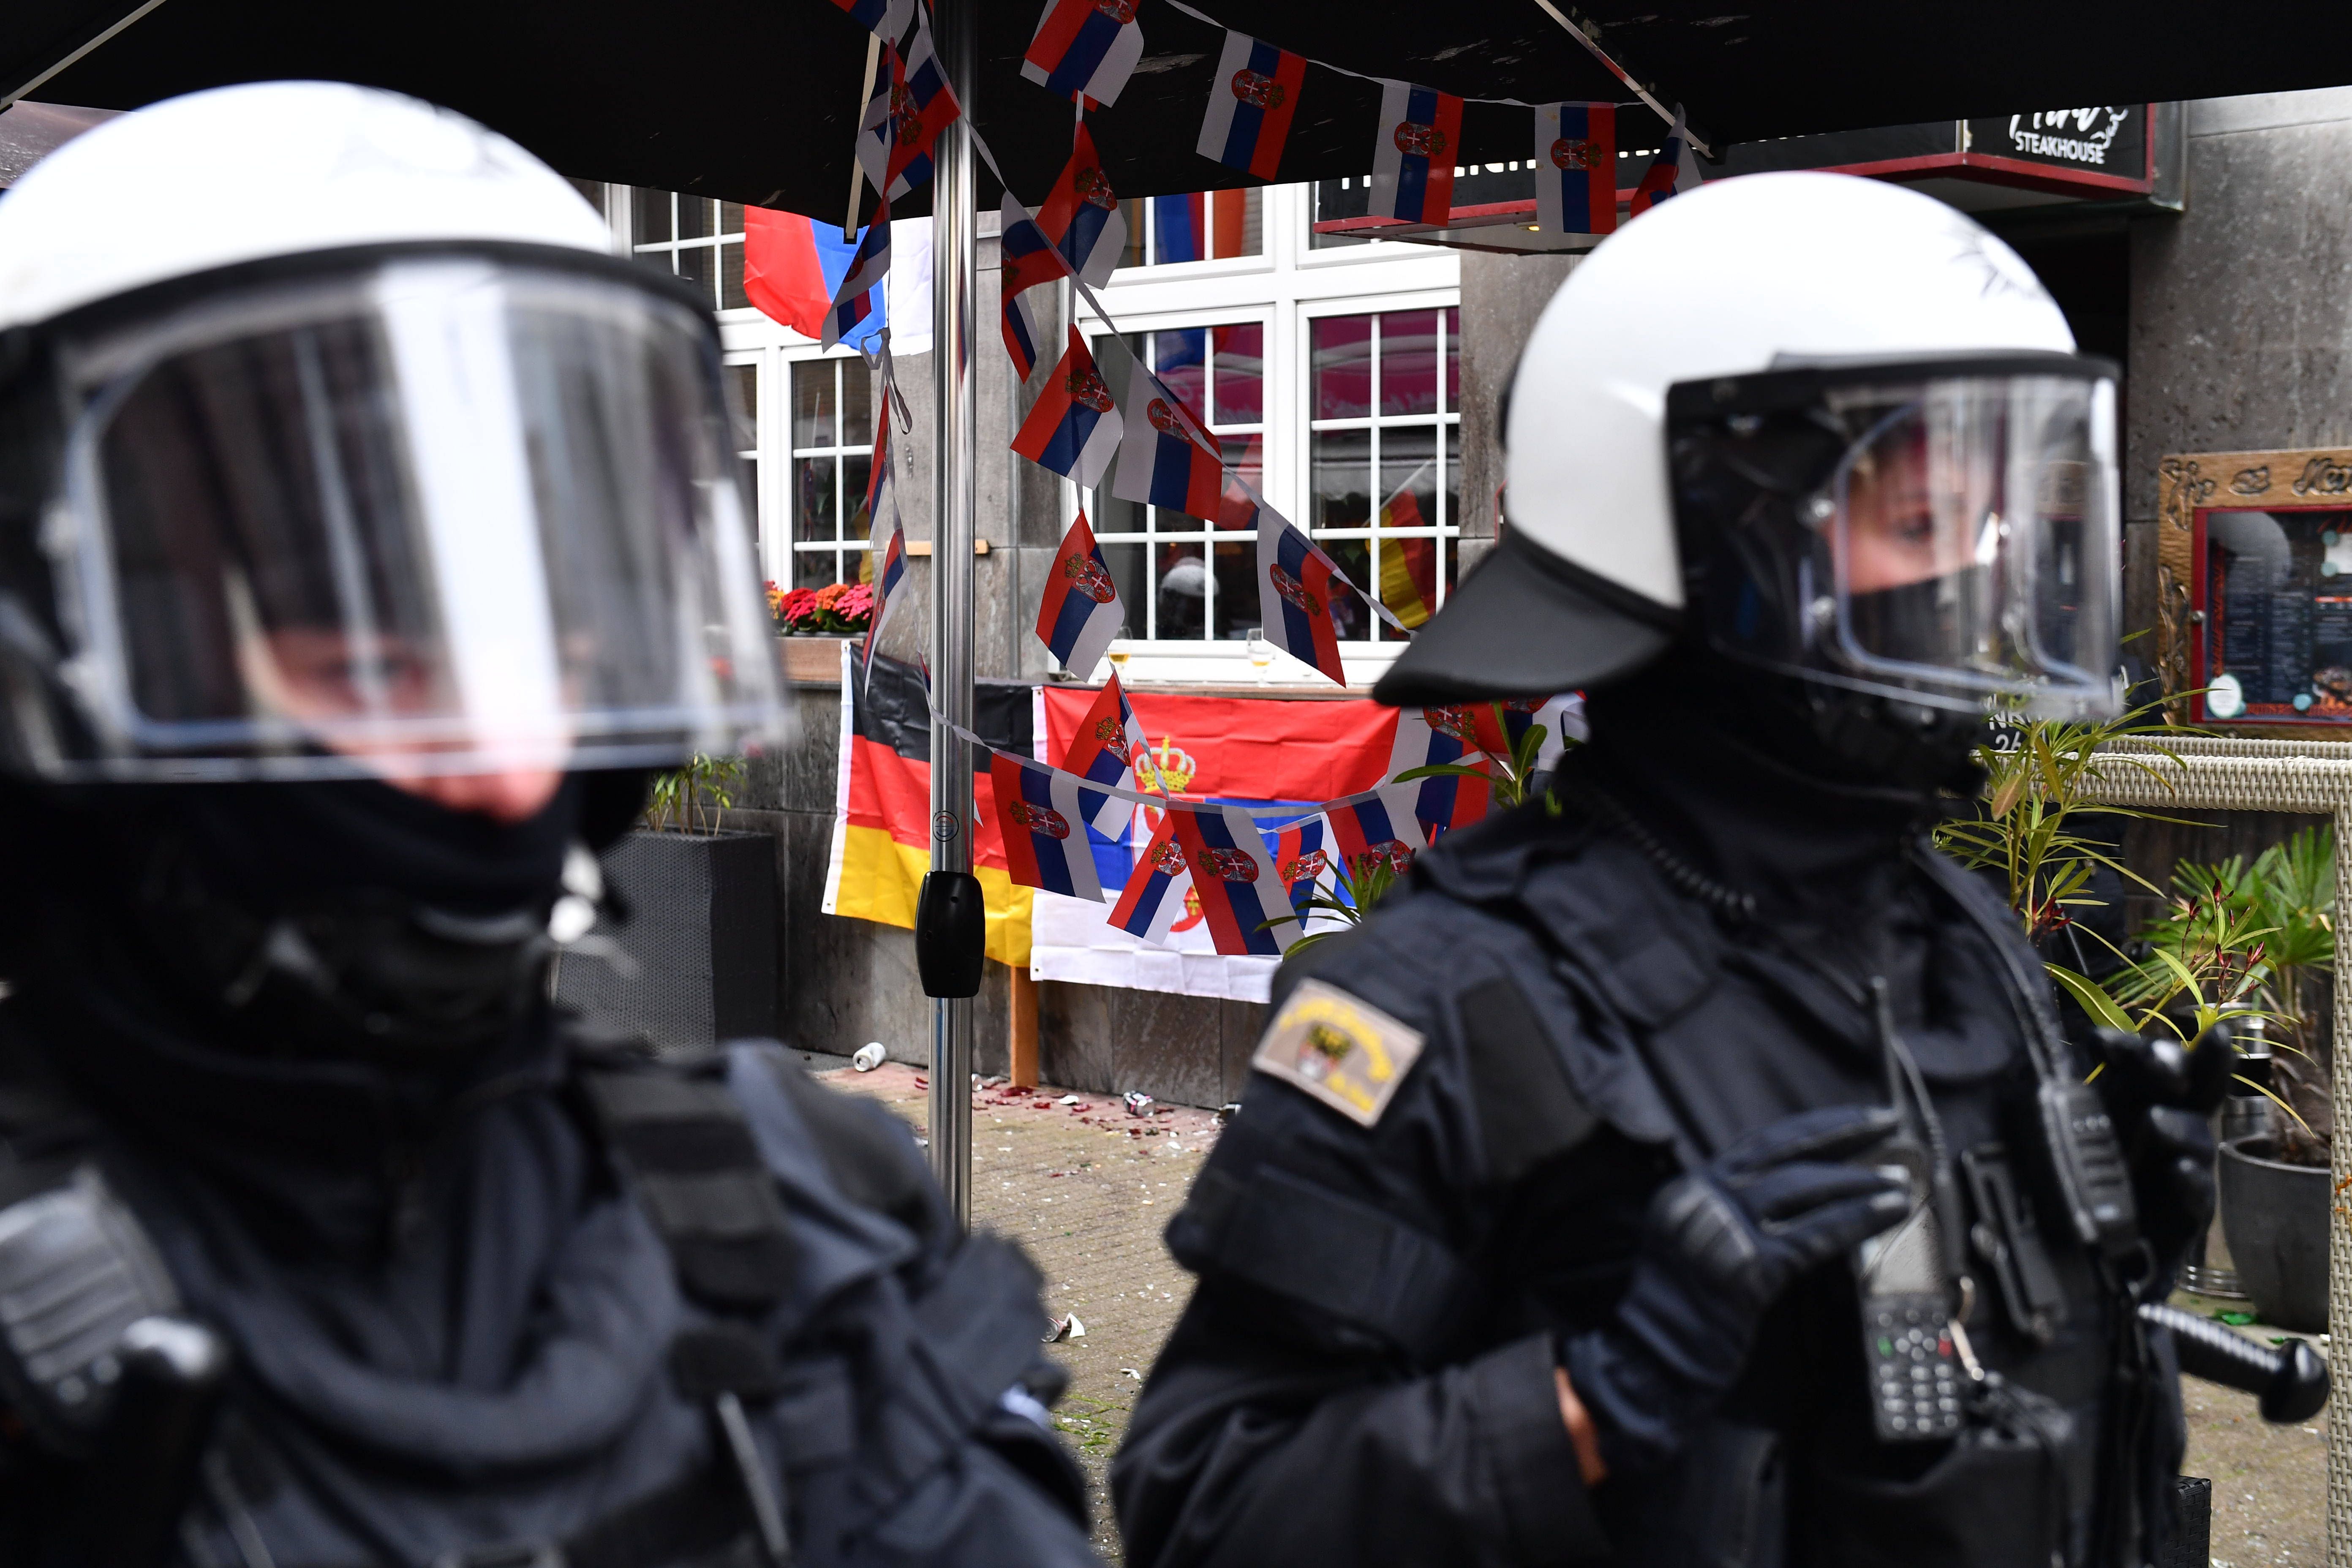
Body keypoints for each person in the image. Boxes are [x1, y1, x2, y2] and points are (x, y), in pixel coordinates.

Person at [0, 82, 1098, 1567]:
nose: (502, 769)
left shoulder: (797, 1208)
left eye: (549, 625)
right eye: (365, 635)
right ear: (56, 641)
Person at [1112, 171, 2227, 1567]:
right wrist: (1595, 1397)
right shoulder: (1454, 999)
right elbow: (1204, 1511)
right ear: (1706, 527)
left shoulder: (1949, 932)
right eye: (1924, 524)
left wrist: (2100, 1240)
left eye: (1999, 520)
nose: (1988, 575)